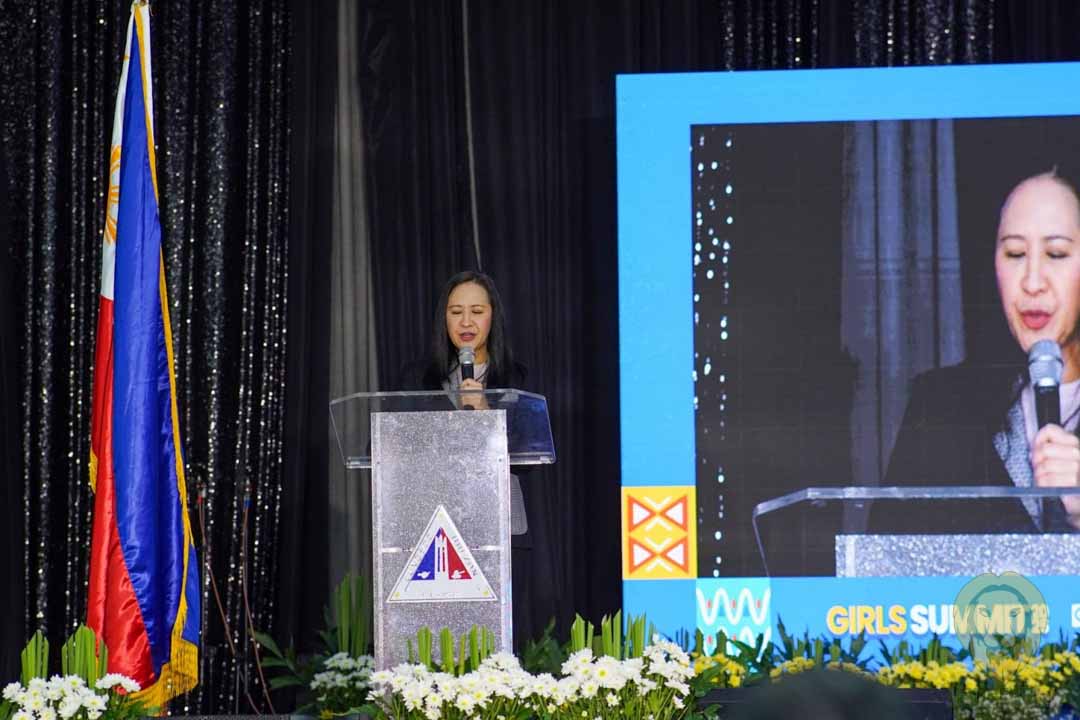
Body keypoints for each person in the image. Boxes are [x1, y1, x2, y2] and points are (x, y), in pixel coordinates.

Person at [880, 171, 1080, 533]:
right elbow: (881, 559)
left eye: (1056, 253)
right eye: (1015, 254)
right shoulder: (940, 406)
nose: (1033, 282)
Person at [394, 270, 536, 641]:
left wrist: (485, 411)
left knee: (498, 636)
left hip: (500, 525)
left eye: (477, 311)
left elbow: (530, 454)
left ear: (493, 317)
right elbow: (392, 446)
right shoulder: (418, 378)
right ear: (444, 319)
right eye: (456, 312)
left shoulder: (517, 378)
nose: (466, 322)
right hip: (432, 527)